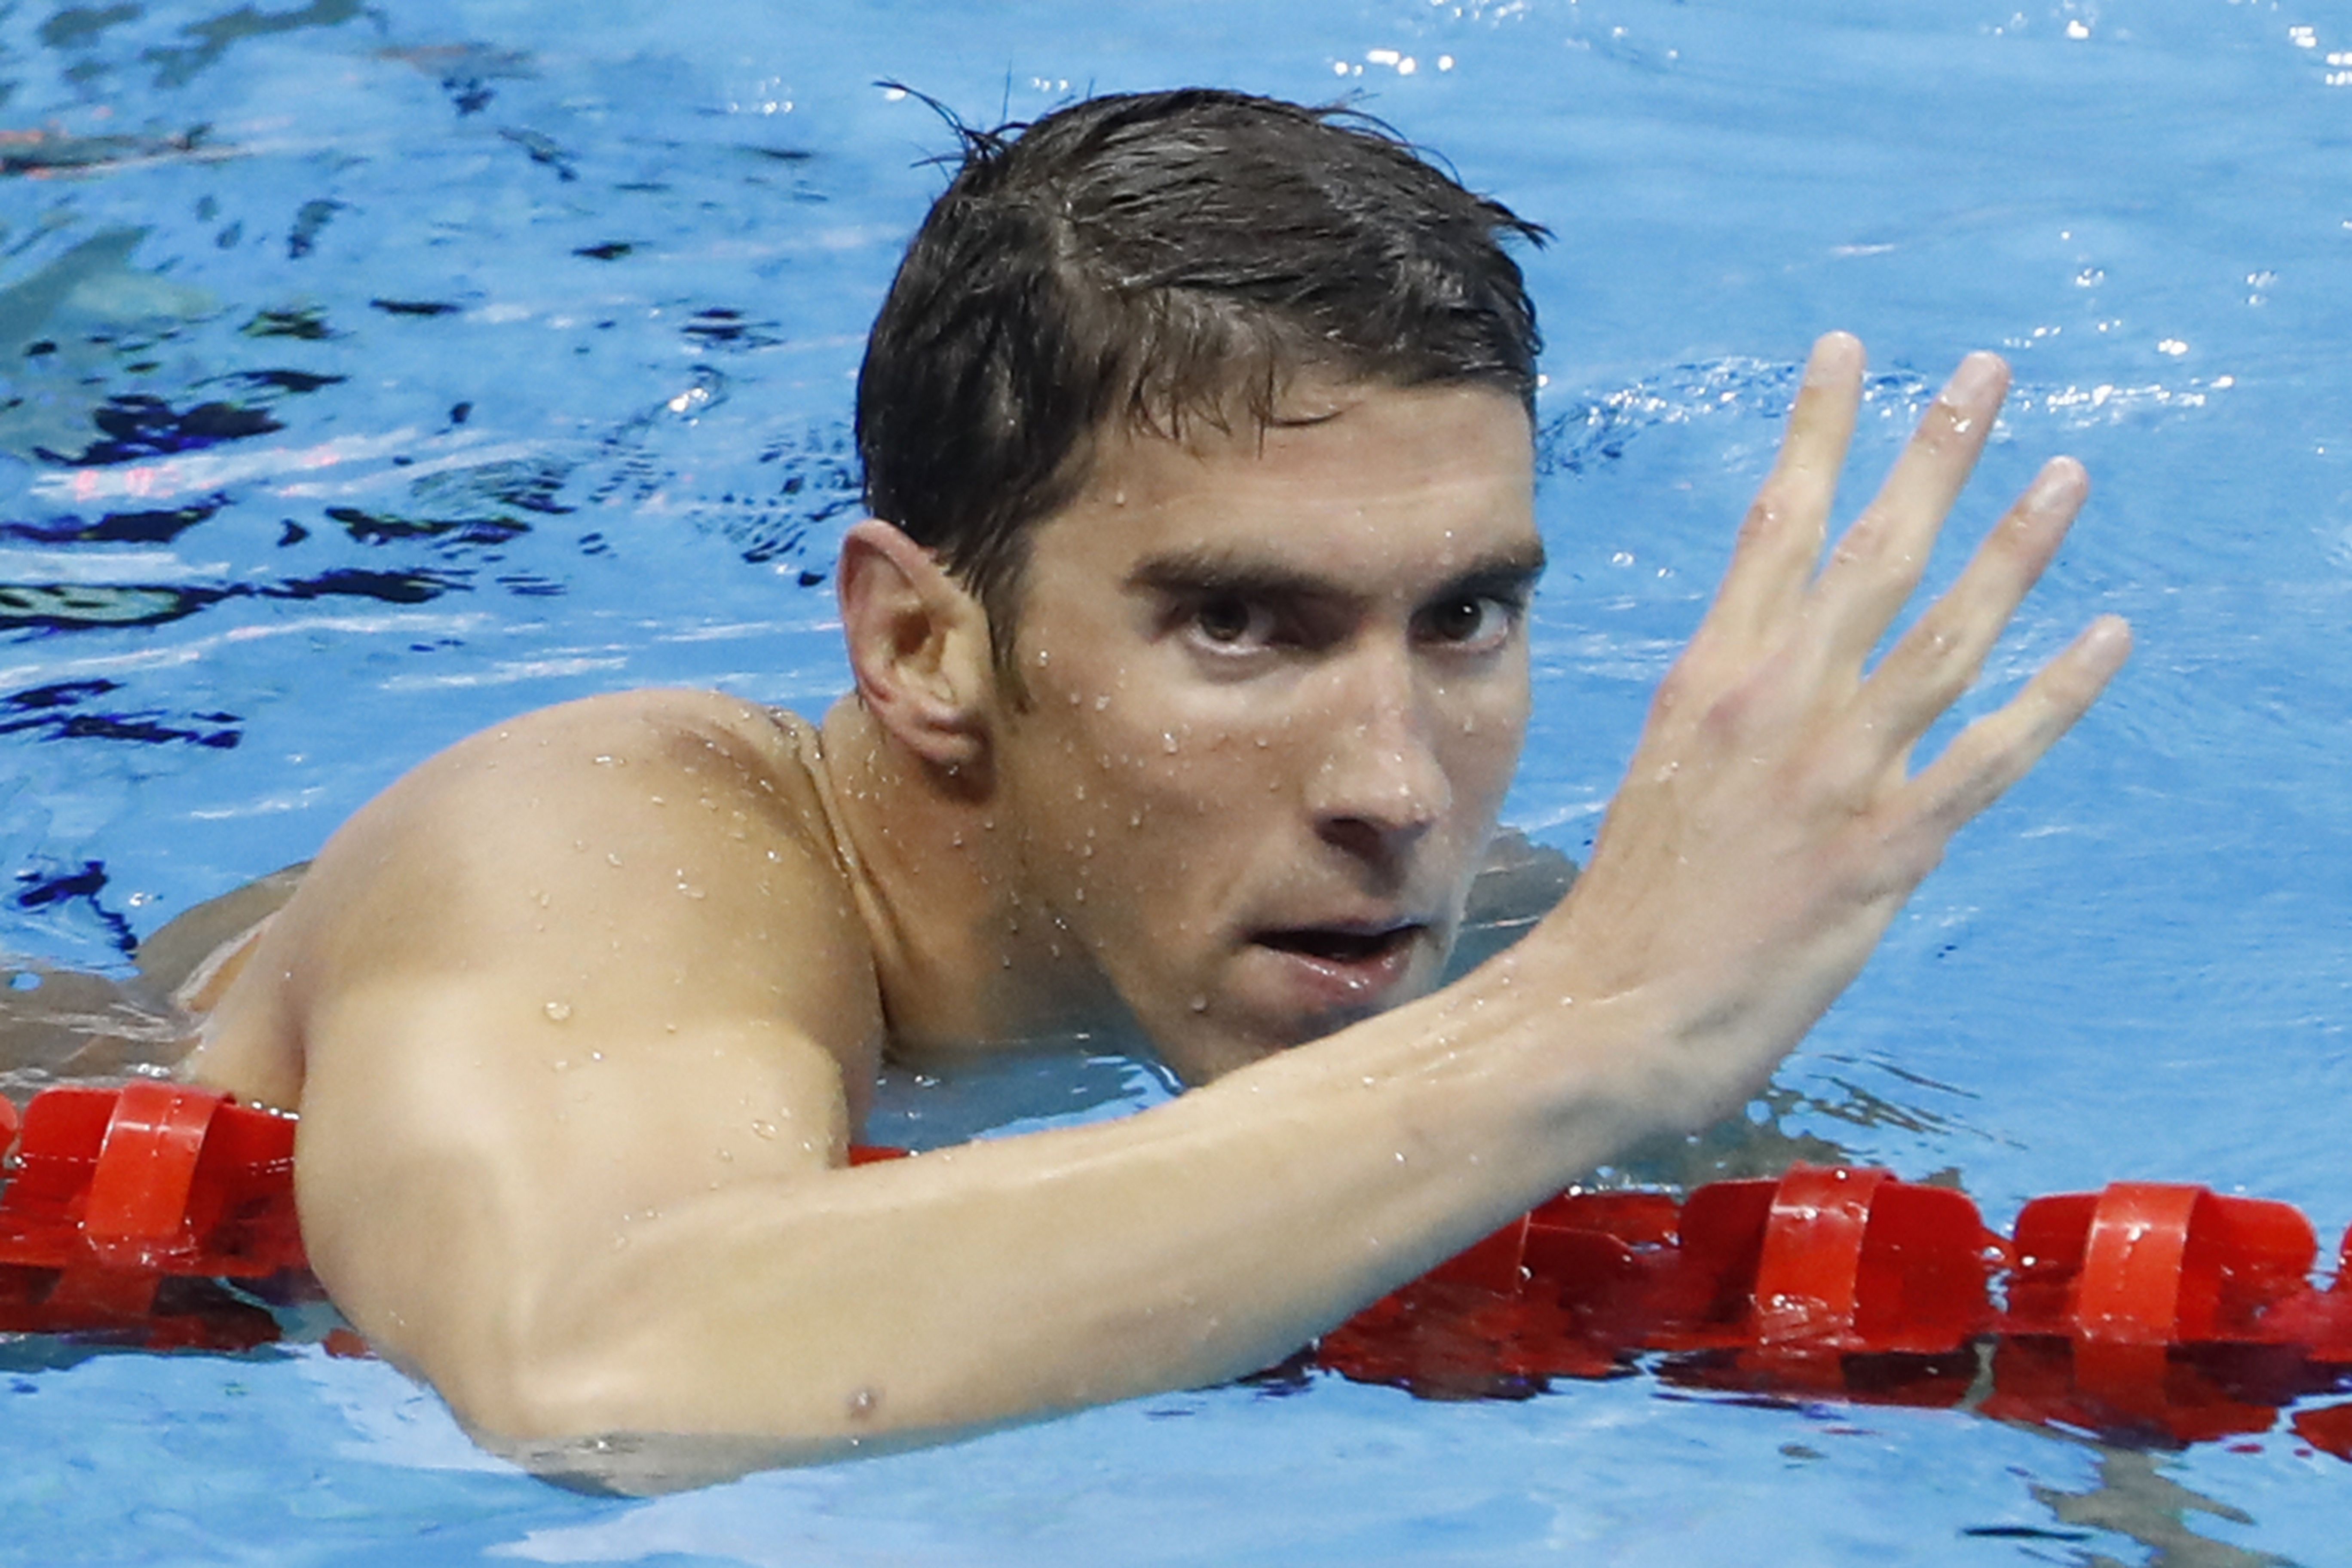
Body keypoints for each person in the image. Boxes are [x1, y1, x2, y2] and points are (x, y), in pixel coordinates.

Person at [163, 89, 2126, 1485]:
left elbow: (2009, 1375)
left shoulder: (1504, 954)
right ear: (924, 647)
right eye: (1245, 628)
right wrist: (1584, 1030)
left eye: (1465, 619)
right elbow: (584, 1369)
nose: (1391, 788)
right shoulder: (597, 849)